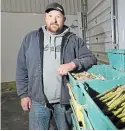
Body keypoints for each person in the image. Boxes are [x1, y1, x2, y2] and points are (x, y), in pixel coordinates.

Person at [15, 2, 97, 130]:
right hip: (38, 101)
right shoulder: (31, 39)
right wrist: (23, 95)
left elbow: (91, 58)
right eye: (50, 16)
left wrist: (72, 64)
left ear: (63, 19)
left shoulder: (73, 39)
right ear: (45, 17)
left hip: (64, 102)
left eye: (58, 16)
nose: (54, 20)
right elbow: (21, 67)